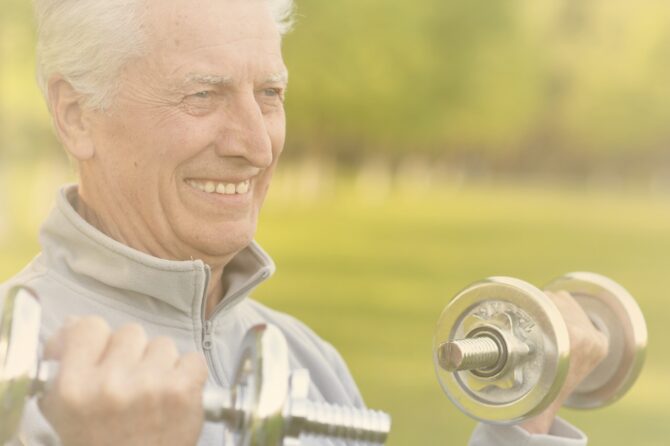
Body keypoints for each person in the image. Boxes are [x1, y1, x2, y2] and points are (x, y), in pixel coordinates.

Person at [0, 0, 608, 444]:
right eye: (202, 96)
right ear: (77, 114)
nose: (256, 145)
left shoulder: (306, 360)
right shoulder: (17, 370)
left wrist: (526, 418)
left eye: (269, 94)